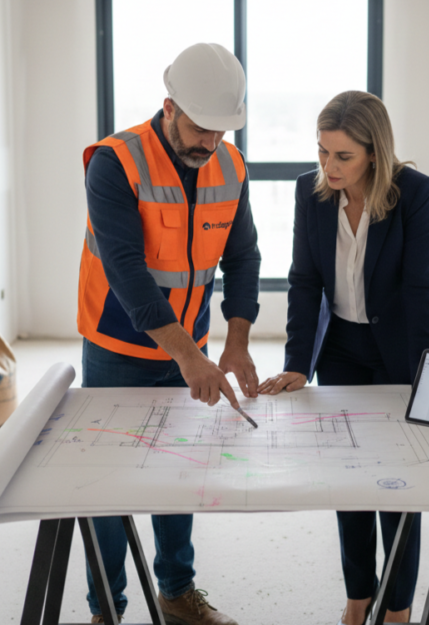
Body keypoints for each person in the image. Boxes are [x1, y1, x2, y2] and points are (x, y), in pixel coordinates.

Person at [77, 43, 261, 625]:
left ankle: (177, 593)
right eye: (201, 129)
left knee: (179, 472)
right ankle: (106, 608)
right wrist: (187, 356)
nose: (210, 144)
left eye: (221, 132)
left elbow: (245, 256)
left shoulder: (229, 166)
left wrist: (235, 340)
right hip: (117, 347)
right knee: (108, 484)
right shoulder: (116, 161)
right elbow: (127, 271)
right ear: (169, 107)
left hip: (193, 346)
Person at [258, 90, 429, 625]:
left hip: (400, 344)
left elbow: (421, 291)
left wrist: (424, 375)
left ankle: (397, 609)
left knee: (397, 483)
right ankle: (358, 597)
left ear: (375, 151)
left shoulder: (414, 193)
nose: (329, 166)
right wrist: (299, 361)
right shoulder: (311, 192)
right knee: (348, 480)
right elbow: (303, 281)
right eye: (322, 152)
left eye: (343, 156)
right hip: (341, 348)